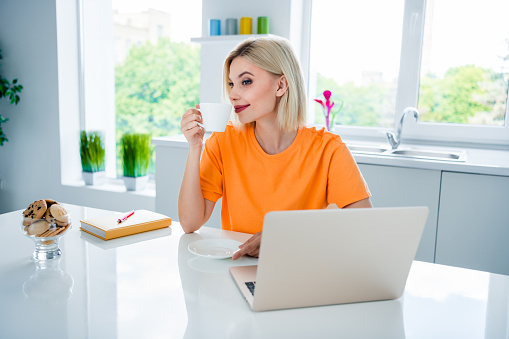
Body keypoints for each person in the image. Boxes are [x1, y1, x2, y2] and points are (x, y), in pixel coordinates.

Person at [178, 36, 372, 260]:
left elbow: (364, 228)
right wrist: (195, 147)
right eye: (231, 83)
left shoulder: (328, 149)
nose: (233, 94)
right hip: (237, 267)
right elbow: (190, 223)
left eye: (246, 82)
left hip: (300, 267)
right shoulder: (223, 142)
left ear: (281, 85)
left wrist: (283, 237)